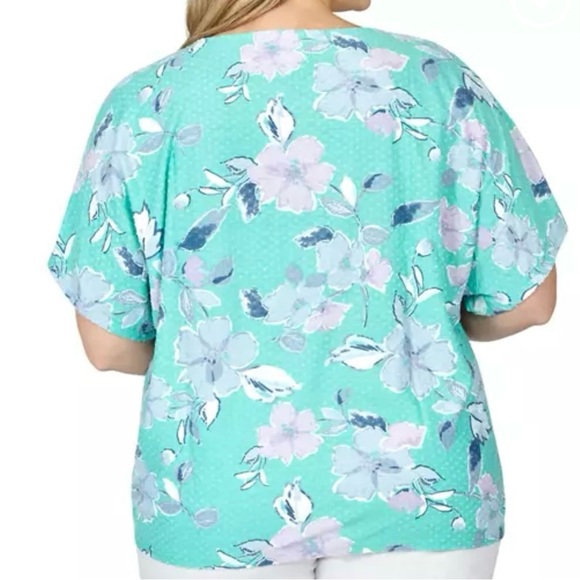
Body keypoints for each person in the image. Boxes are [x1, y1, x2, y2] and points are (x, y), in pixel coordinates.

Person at [47, 0, 567, 578]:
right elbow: (530, 304)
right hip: (421, 484)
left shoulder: (146, 102)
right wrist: (424, 316)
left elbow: (108, 346)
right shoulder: (439, 82)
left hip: (213, 488)